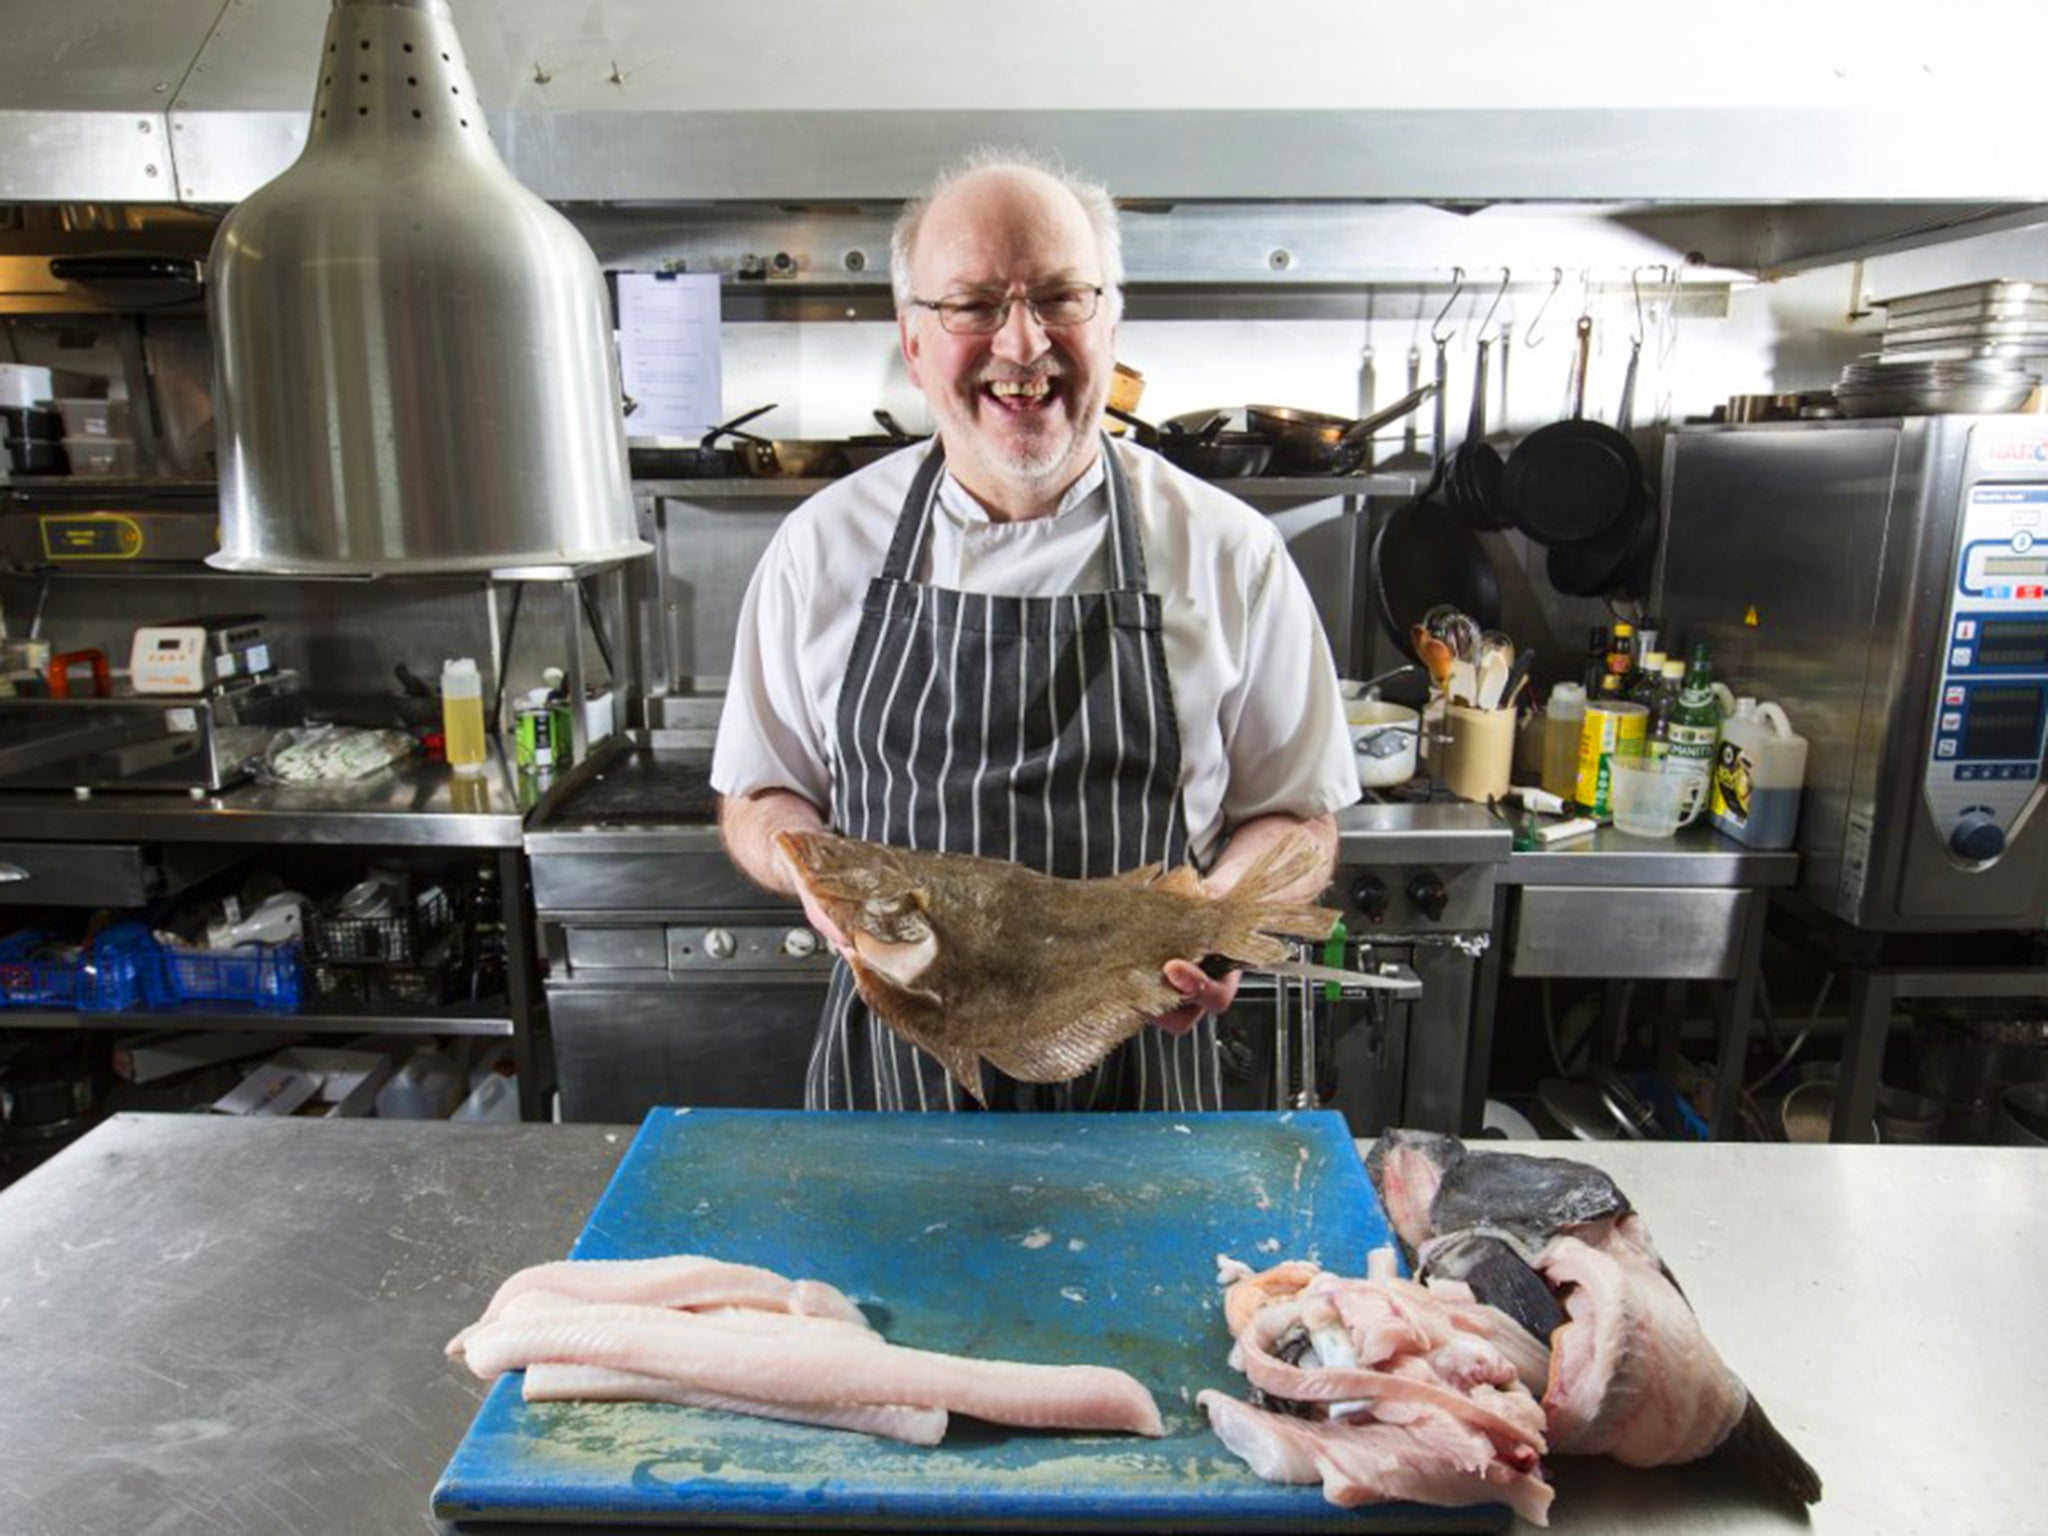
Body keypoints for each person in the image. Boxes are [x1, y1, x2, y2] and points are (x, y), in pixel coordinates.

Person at [712, 150, 1358, 1112]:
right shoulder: (821, 549)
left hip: (1143, 1086)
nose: (1022, 345)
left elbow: (1299, 819)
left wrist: (1220, 922)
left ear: (1111, 321)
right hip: (895, 1095)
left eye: (1061, 297)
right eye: (973, 304)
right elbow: (760, 793)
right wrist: (807, 872)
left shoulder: (1232, 553)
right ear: (915, 339)